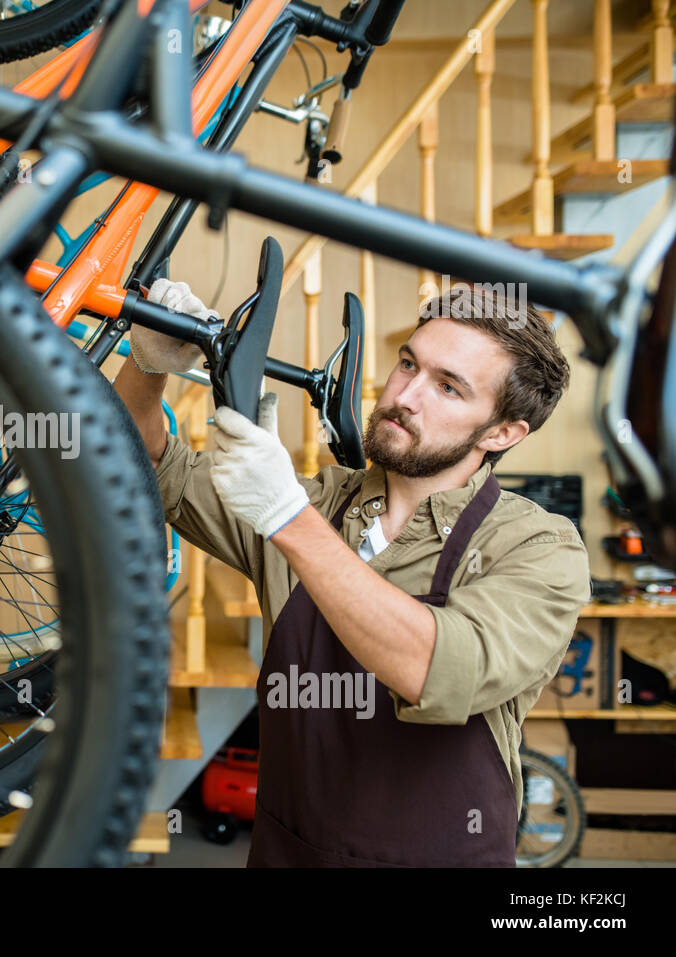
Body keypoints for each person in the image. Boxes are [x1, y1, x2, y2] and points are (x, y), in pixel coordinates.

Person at [114, 278, 592, 867]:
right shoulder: (323, 504)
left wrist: (287, 516)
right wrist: (147, 366)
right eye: (408, 364)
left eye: (448, 387)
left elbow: (436, 668)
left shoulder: (536, 546)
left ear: (502, 433)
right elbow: (149, 466)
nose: (406, 396)